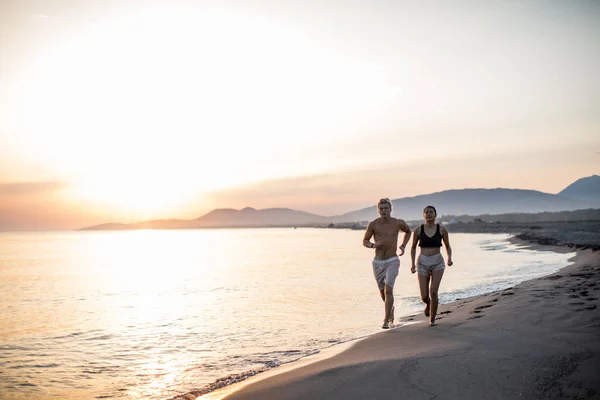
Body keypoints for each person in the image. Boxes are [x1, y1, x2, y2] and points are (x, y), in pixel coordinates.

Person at [363, 198, 412, 329]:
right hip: (378, 261)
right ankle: (390, 309)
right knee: (382, 292)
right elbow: (365, 241)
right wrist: (373, 245)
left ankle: (386, 320)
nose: (384, 211)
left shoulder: (397, 223)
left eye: (386, 208)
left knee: (388, 289)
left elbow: (408, 231)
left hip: (392, 260)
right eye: (381, 208)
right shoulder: (373, 224)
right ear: (378, 210)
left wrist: (403, 246)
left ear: (390, 209)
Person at [410, 205, 453, 326]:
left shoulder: (442, 229)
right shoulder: (418, 230)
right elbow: (413, 248)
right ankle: (428, 304)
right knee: (424, 296)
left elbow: (448, 246)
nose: (429, 214)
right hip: (422, 262)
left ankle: (432, 320)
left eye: (431, 212)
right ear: (423, 215)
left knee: (433, 291)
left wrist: (449, 258)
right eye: (426, 212)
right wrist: (413, 264)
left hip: (437, 262)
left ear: (435, 215)